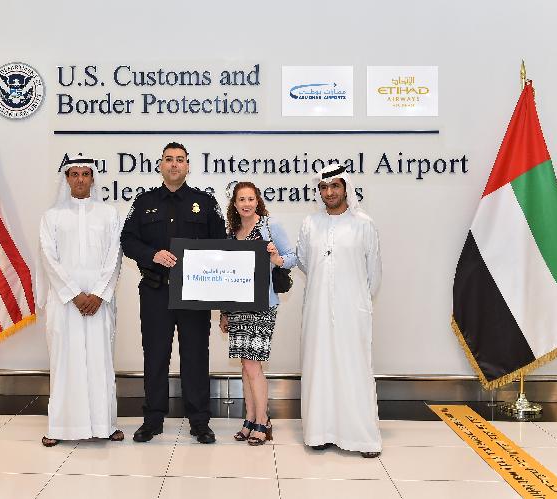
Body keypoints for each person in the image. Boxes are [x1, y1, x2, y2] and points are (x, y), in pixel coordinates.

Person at [121, 142, 226, 444]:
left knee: (196, 356)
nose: (174, 164)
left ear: (188, 165)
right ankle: (152, 420)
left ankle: (199, 421)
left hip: (194, 294)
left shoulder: (204, 202)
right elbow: (127, 240)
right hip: (156, 290)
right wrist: (152, 254)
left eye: (180, 159)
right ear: (160, 165)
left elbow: (221, 245)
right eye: (169, 159)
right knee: (155, 355)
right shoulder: (144, 201)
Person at [36, 153, 123, 447]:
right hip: (65, 303)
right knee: (65, 361)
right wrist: (74, 293)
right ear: (67, 179)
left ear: (93, 178)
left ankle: (105, 425)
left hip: (100, 301)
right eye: (74, 174)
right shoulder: (52, 216)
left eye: (85, 174)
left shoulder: (108, 214)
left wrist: (98, 294)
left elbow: (114, 256)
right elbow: (49, 259)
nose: (80, 179)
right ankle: (60, 426)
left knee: (100, 361)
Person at [296, 162, 383, 457]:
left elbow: (374, 274)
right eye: (324, 187)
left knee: (353, 368)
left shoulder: (363, 224)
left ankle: (363, 439)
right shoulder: (310, 224)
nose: (329, 192)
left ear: (346, 188)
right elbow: (305, 263)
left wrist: (356, 301)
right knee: (319, 366)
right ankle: (319, 433)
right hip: (317, 310)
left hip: (352, 310)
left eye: (335, 186)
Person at [219, 182, 297, 446]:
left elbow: (292, 257)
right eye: (241, 199)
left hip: (262, 304)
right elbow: (227, 276)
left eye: (251, 199)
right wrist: (225, 312)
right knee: (245, 364)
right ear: (235, 204)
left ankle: (263, 420)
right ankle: (250, 419)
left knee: (253, 364)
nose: (246, 204)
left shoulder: (269, 227)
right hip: (238, 306)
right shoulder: (232, 233)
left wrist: (276, 259)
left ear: (257, 201)